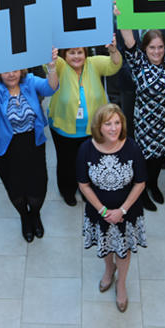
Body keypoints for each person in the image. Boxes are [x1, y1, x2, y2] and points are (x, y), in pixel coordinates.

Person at [0, 53, 60, 242]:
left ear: (21, 70)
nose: (11, 74)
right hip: (5, 149)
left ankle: (35, 214)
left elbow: (50, 88)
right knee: (15, 188)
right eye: (6, 71)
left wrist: (52, 68)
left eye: (15, 69)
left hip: (33, 144)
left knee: (38, 186)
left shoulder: (29, 81)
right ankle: (24, 216)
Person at [77, 103, 148, 313]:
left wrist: (122, 211)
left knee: (124, 249)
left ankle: (121, 283)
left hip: (127, 211)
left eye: (117, 123)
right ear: (99, 127)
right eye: (108, 123)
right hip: (99, 212)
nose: (113, 128)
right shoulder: (86, 149)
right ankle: (109, 270)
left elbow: (140, 182)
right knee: (106, 244)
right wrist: (103, 211)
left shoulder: (133, 148)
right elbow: (83, 184)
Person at [48, 38, 122, 206]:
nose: (76, 56)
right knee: (66, 163)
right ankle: (67, 191)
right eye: (71, 53)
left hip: (92, 129)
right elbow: (48, 64)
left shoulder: (94, 63)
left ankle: (86, 189)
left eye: (80, 52)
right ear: (64, 55)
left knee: (90, 161)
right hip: (64, 129)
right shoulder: (59, 65)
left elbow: (114, 65)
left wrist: (113, 50)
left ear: (85, 53)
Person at [119, 26, 165, 210]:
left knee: (158, 159)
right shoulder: (138, 62)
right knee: (143, 161)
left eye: (160, 47)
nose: (157, 52)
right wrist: (122, 17)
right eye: (152, 48)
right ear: (145, 49)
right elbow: (128, 40)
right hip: (146, 125)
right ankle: (140, 192)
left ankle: (153, 185)